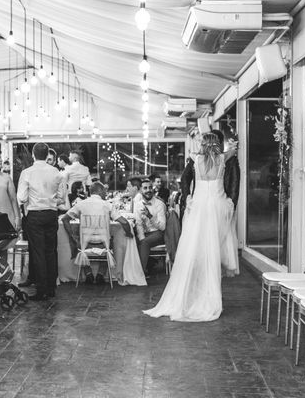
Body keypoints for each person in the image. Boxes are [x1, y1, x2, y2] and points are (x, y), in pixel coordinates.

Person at [144, 132, 238, 322]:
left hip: (200, 209)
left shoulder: (195, 159)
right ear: (217, 145)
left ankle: (192, 293)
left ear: (203, 144)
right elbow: (233, 151)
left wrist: (188, 197)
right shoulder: (223, 158)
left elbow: (186, 178)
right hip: (218, 208)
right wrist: (233, 145)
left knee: (194, 251)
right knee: (213, 252)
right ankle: (209, 296)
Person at [17, 143, 66, 301]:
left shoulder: (27, 173)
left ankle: (41, 290)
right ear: (47, 156)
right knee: (50, 251)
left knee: (38, 252)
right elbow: (62, 197)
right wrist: (50, 201)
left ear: (33, 154)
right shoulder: (57, 172)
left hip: (34, 215)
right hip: (51, 214)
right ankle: (51, 288)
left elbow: (21, 198)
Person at [62, 182, 122, 285]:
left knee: (80, 241)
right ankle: (101, 274)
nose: (105, 194)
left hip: (85, 244)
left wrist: (73, 237)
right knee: (112, 241)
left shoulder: (81, 204)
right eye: (104, 191)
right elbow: (124, 222)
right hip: (104, 244)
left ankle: (88, 273)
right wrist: (129, 231)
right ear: (99, 191)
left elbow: (64, 219)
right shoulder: (107, 205)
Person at [134, 179, 166, 275]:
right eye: (145, 188)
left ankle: (140, 274)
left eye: (150, 187)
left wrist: (150, 216)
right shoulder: (137, 205)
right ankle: (130, 272)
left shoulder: (159, 204)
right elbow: (138, 225)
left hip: (158, 233)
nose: (148, 190)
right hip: (145, 233)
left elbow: (163, 227)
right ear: (140, 190)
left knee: (144, 243)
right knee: (131, 240)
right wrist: (141, 238)